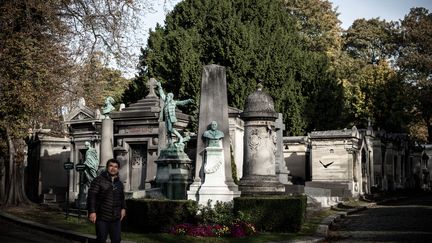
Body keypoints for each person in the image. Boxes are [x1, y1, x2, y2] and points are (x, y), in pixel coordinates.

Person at [87, 159, 126, 243]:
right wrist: (92, 212)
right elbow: (92, 196)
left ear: (118, 169)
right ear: (107, 167)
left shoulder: (119, 183)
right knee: (101, 239)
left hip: (116, 218)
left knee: (116, 240)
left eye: (116, 167)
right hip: (102, 217)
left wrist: (123, 208)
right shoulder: (98, 180)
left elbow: (122, 197)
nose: (113, 168)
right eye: (111, 166)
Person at [156, 81, 193, 145]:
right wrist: (159, 87)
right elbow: (162, 94)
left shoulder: (174, 102)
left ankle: (180, 137)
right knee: (168, 131)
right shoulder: (166, 101)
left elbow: (182, 102)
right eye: (167, 96)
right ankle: (170, 144)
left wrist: (188, 101)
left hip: (171, 117)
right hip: (166, 117)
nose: (167, 97)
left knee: (170, 129)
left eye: (168, 96)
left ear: (171, 97)